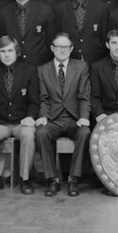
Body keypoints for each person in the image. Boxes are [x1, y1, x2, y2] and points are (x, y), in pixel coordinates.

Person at [0, 36, 38, 196]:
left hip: (21, 122)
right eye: (3, 51)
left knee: (28, 134)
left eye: (10, 51)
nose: (6, 55)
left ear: (17, 52)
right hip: (0, 122)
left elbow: (34, 101)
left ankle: (25, 179)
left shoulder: (29, 71)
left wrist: (31, 117)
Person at [35, 32, 92, 197]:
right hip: (53, 119)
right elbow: (43, 98)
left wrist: (83, 118)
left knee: (85, 132)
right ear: (52, 48)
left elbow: (84, 96)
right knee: (41, 132)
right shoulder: (43, 69)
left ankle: (73, 179)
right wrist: (44, 116)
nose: (62, 50)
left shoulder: (81, 67)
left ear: (71, 48)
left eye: (65, 47)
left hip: (74, 119)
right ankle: (53, 179)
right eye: (58, 47)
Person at [54, 0, 110, 65]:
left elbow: (104, 39)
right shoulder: (59, 9)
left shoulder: (102, 8)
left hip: (95, 64)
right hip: (69, 65)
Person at [0, 0, 56, 66]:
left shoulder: (45, 11)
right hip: (13, 66)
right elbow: (1, 42)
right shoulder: (3, 13)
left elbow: (51, 41)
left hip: (39, 66)